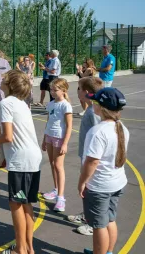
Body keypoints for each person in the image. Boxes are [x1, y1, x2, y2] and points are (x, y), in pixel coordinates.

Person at [0, 70, 42, 254]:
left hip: (21, 160)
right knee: (26, 204)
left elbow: (8, 137)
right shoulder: (21, 103)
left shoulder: (6, 103)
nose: (1, 79)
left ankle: (20, 250)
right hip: (33, 157)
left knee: (16, 204)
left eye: (5, 78)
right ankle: (28, 248)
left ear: (10, 85)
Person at [79, 88, 128, 254]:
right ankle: (108, 251)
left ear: (102, 107)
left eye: (95, 102)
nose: (93, 104)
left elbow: (92, 162)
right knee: (110, 220)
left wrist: (82, 182)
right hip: (116, 183)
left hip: (100, 186)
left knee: (99, 225)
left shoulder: (98, 131)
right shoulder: (121, 127)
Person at [67, 76, 103, 236]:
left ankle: (93, 223)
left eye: (79, 89)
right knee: (87, 190)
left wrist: (91, 159)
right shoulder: (90, 108)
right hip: (86, 155)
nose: (77, 91)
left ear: (87, 93)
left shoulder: (94, 112)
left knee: (90, 189)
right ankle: (87, 215)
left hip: (91, 158)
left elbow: (99, 136)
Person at [41, 78, 73, 212]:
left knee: (59, 166)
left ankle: (61, 198)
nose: (52, 92)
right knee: (52, 164)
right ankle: (55, 189)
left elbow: (69, 126)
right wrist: (44, 138)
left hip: (59, 138)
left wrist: (65, 143)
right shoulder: (51, 104)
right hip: (49, 136)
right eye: (51, 90)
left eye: (55, 90)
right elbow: (48, 121)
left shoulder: (66, 105)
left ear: (63, 90)